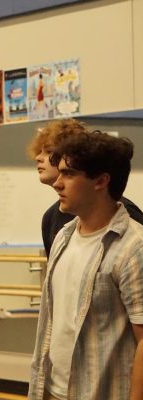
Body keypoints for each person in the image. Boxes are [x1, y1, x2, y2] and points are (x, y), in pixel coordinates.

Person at [28, 130, 143, 400]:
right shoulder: (64, 237)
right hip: (53, 390)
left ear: (101, 181)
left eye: (69, 174)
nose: (58, 183)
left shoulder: (133, 247)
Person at [27, 118, 143, 256]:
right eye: (39, 151)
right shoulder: (51, 218)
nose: (38, 158)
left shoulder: (126, 216)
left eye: (48, 151)